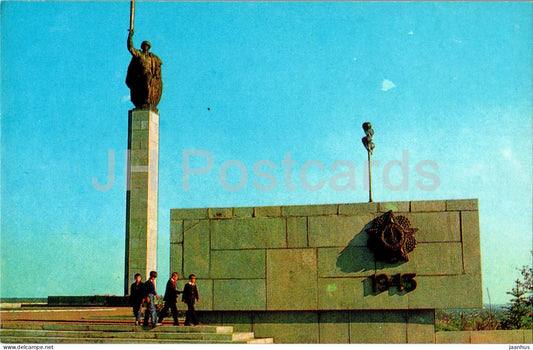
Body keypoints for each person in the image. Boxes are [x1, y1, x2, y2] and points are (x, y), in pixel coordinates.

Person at [126, 29, 163, 110]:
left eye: (147, 46)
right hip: (139, 76)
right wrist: (130, 36)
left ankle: (148, 99)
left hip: (148, 75)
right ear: (142, 47)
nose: (146, 47)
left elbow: (158, 67)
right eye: (144, 45)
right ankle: (143, 100)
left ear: (149, 47)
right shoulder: (139, 54)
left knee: (148, 80)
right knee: (141, 87)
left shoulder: (153, 58)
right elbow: (130, 48)